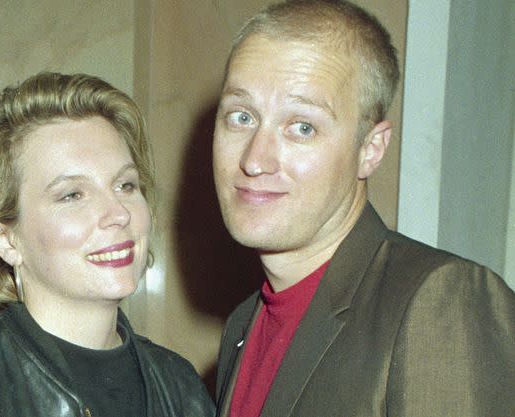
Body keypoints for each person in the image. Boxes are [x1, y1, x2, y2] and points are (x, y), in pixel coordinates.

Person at [212, 1, 515, 416]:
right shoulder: (242, 327)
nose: (254, 160)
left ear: (370, 150)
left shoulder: (437, 302)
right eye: (241, 117)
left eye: (302, 127)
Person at [0, 72, 214, 417]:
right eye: (72, 195)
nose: (117, 213)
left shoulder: (181, 387)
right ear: (5, 239)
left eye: (126, 185)